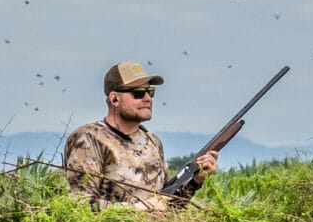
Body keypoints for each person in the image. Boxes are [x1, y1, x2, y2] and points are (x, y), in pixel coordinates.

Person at [63, 61, 219, 211]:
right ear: (114, 99)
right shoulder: (89, 138)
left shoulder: (153, 141)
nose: (147, 98)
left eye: (150, 92)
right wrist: (136, 208)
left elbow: (168, 206)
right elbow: (79, 206)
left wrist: (196, 180)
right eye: (138, 93)